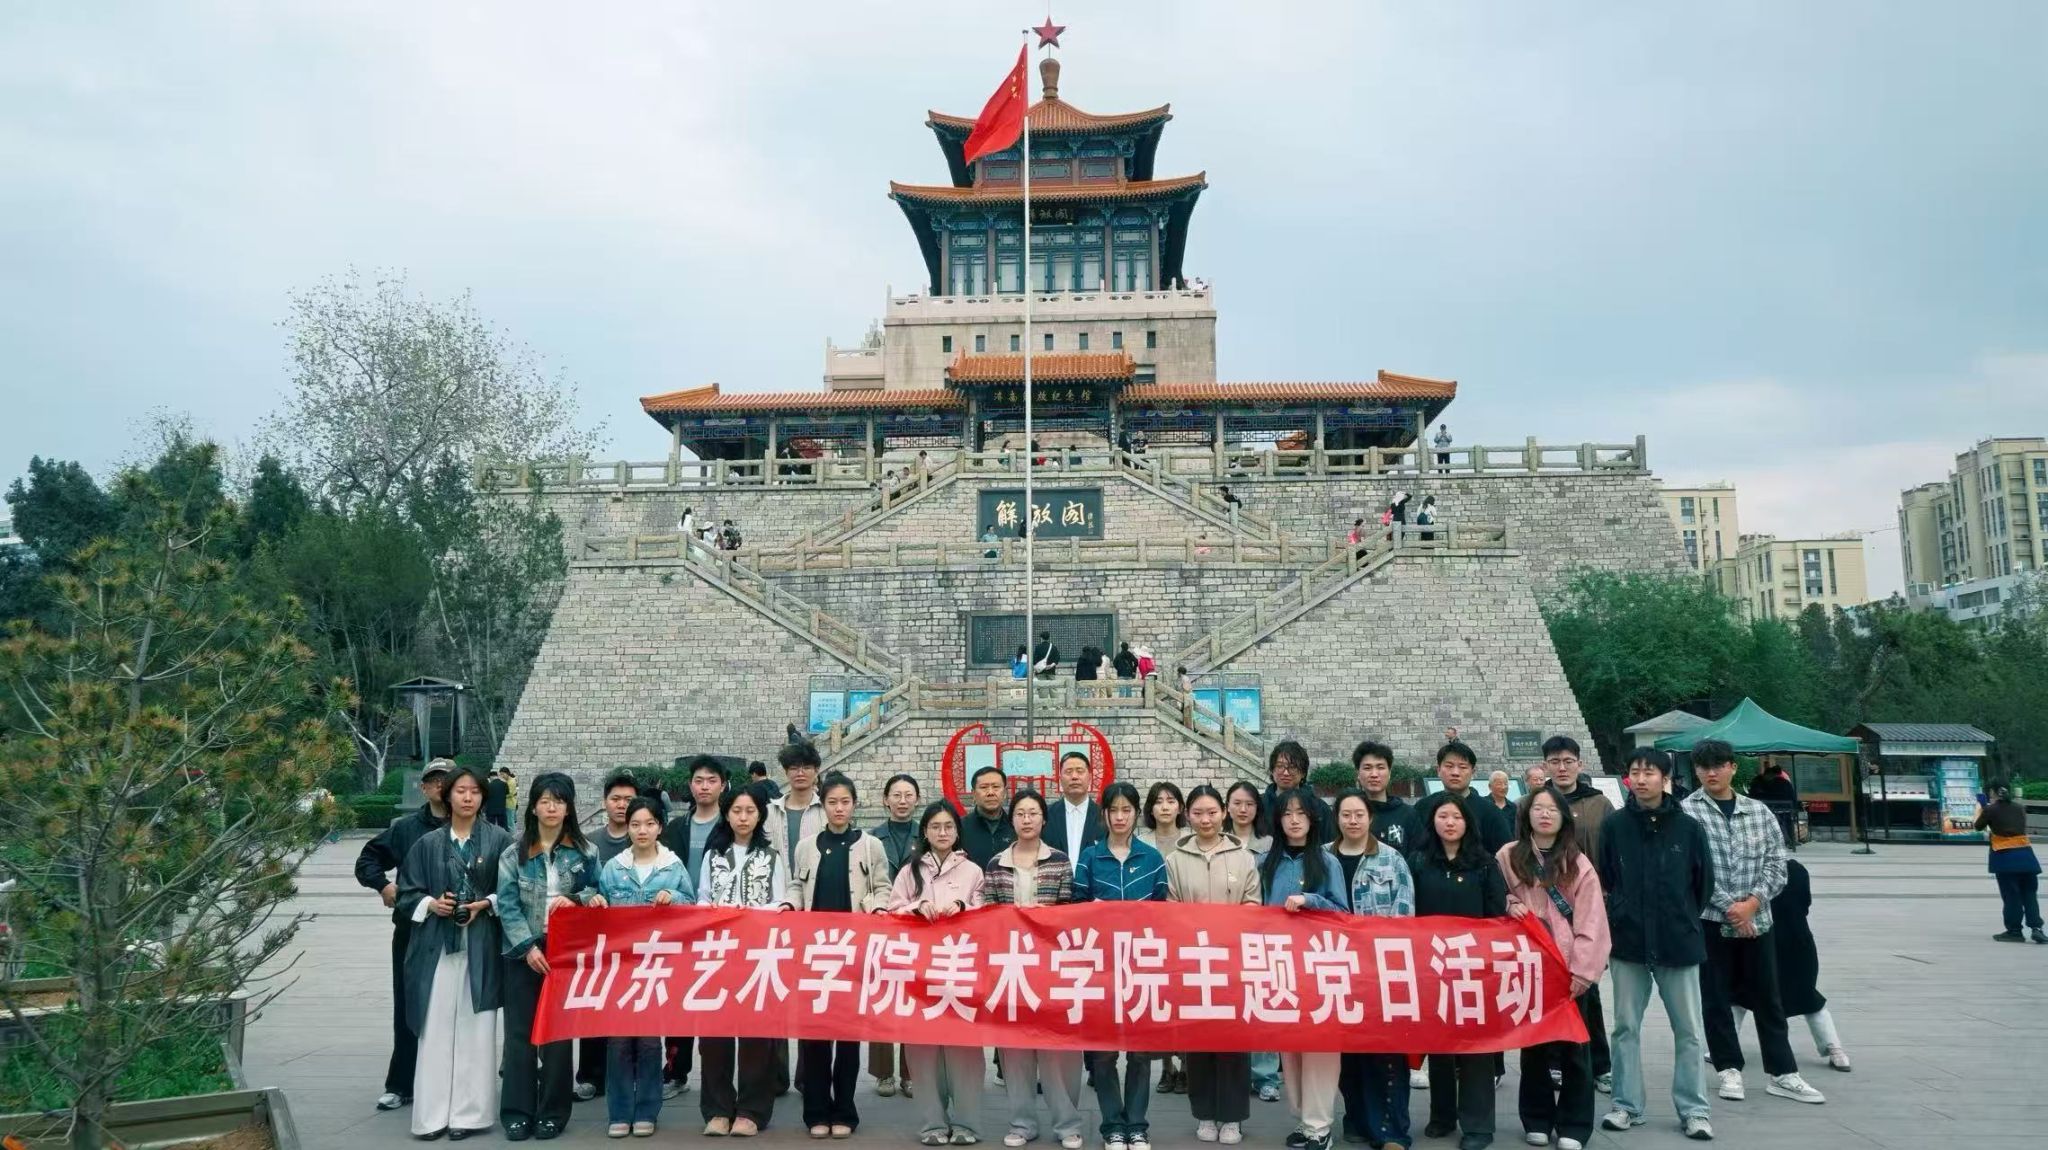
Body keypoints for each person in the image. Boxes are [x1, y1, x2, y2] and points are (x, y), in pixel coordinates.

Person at [1681, 740, 1825, 1107]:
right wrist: (1732, 909)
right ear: (1696, 771)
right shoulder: (1686, 813)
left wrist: (1752, 904)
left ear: (1732, 767)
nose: (1711, 773)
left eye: (1718, 765)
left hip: (1758, 920)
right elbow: (1690, 870)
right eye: (1704, 767)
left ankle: (1783, 1072)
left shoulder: (1758, 811)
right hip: (1711, 920)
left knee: (1768, 997)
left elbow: (1778, 863)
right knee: (1716, 998)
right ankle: (1728, 1067)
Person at [1596, 748, 1715, 1142]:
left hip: (1677, 941)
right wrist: (1623, 913)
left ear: (1665, 779)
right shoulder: (1614, 826)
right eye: (1635, 772)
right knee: (1625, 1027)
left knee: (1689, 1030)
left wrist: (1680, 916)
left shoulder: (1689, 828)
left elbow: (1703, 884)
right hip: (1628, 940)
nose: (1641, 779)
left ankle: (1694, 1110)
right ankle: (1626, 1105)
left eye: (1649, 772)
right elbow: (1608, 877)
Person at [397, 764, 511, 1140]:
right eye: (460, 791)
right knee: (434, 1030)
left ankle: (469, 1115)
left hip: (481, 946)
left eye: (474, 791)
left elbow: (512, 889)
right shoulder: (427, 844)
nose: (467, 798)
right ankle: (430, 1117)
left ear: (483, 797)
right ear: (447, 795)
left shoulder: (500, 840)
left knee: (477, 1031)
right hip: (436, 949)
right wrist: (432, 904)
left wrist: (486, 903)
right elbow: (406, 893)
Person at [496, 771, 606, 1142]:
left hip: (564, 951)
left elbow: (598, 891)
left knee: (558, 1036)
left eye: (559, 801)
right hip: (522, 951)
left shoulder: (586, 852)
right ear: (533, 807)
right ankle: (517, 1112)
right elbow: (507, 905)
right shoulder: (513, 853)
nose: (552, 808)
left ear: (568, 807)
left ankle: (553, 1113)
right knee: (520, 1036)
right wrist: (527, 947)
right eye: (545, 801)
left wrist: (576, 899)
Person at [1499, 788, 1610, 1150]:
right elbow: (1491, 895)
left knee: (1576, 1048)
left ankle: (1574, 1125)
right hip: (1528, 966)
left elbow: (1592, 920)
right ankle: (1536, 1118)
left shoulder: (1578, 863)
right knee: (1533, 1046)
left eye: (1552, 809)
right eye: (1538, 808)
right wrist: (1509, 902)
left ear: (1564, 817)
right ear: (1526, 814)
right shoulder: (1508, 856)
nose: (1544, 814)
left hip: (1568, 968)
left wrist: (1583, 972)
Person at [789, 772, 894, 1138]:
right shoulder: (806, 846)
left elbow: (883, 886)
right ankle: (816, 1112)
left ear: (854, 805)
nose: (838, 808)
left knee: (849, 1037)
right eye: (832, 802)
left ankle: (845, 1112)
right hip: (815, 953)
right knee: (814, 1036)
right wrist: (790, 904)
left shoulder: (870, 845)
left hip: (853, 953)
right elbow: (796, 885)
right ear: (823, 805)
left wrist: (877, 907)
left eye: (845, 802)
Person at [983, 790, 1083, 1150]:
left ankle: (1068, 1124)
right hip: (1012, 968)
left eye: (1033, 813)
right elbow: (988, 914)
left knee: (1058, 1053)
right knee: (1016, 1052)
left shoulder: (1059, 861)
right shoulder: (996, 864)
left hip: (1051, 968)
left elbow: (1071, 911)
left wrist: (1049, 916)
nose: (1027, 819)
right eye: (1020, 813)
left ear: (1044, 819)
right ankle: (1022, 1123)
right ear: (1012, 820)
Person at [1071, 782, 1169, 1149]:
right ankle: (1112, 1125)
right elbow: (1075, 907)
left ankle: (1137, 1126)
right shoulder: (1090, 857)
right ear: (1104, 815)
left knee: (1140, 1052)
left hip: (1142, 966)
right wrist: (1095, 911)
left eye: (1127, 810)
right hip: (1100, 967)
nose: (1120, 817)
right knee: (1103, 1053)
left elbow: (1164, 911)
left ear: (1136, 814)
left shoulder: (1152, 858)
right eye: (1114, 810)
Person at [355, 757, 450, 1112]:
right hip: (414, 931)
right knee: (409, 1005)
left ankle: (451, 1080)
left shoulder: (475, 827)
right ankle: (401, 1083)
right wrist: (383, 885)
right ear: (423, 787)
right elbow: (367, 860)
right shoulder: (406, 828)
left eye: (447, 779)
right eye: (433, 780)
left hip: (461, 931)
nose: (440, 785)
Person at [1166, 785, 1259, 1145]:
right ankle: (1204, 1113)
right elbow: (1171, 907)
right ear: (1187, 815)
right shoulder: (1175, 859)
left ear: (1223, 813)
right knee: (1199, 1042)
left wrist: (1229, 929)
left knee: (1234, 1042)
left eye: (1211, 812)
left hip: (1233, 962)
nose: (1205, 820)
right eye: (1197, 813)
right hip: (1193, 962)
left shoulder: (1243, 856)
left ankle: (1233, 1117)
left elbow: (1253, 904)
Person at [1409, 800, 1506, 1150]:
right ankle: (1442, 1115)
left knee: (1476, 1048)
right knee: (1439, 1044)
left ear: (1468, 823)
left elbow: (1497, 916)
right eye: (1443, 816)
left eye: (1457, 817)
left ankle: (1478, 1125)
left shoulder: (1484, 864)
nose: (1450, 823)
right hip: (1432, 966)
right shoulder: (1418, 861)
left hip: (1473, 969)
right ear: (1432, 822)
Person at [892, 801, 989, 1146]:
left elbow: (987, 912)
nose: (942, 832)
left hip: (961, 970)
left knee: (965, 1052)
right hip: (920, 974)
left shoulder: (973, 871)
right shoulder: (910, 871)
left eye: (948, 826)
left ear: (957, 831)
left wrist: (964, 908)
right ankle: (932, 1124)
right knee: (922, 1052)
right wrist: (916, 907)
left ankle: (967, 1124)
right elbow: (892, 911)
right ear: (925, 832)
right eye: (935, 827)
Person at [598, 798, 696, 1138]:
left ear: (660, 827)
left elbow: (691, 905)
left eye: (650, 823)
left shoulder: (672, 867)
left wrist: (673, 896)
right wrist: (595, 900)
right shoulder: (613, 868)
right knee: (618, 1042)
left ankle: (647, 1110)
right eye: (636, 824)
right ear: (627, 827)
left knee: (651, 1043)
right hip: (621, 967)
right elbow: (598, 903)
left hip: (656, 968)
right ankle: (619, 1111)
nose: (642, 830)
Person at [696, 783, 788, 1137]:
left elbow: (780, 904)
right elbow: (702, 898)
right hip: (718, 955)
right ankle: (718, 1108)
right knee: (714, 1035)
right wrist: (716, 913)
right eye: (737, 811)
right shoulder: (713, 855)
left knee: (756, 1035)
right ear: (726, 814)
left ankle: (752, 1110)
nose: (743, 817)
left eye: (750, 811)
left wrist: (749, 915)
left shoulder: (771, 857)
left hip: (758, 954)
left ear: (760, 815)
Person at [1327, 791, 1416, 1148]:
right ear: (1337, 818)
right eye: (1346, 814)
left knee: (1386, 1053)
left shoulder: (1391, 859)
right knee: (1348, 1054)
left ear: (1369, 818)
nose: (1352, 820)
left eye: (1359, 814)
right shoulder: (1324, 857)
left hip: (1379, 970)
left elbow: (1404, 912)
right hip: (1336, 969)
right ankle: (1358, 1120)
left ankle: (1393, 1131)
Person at [1261, 790, 1347, 1149]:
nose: (1294, 820)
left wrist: (1310, 900)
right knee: (1291, 1049)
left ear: (1313, 819)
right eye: (1287, 814)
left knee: (1320, 1049)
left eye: (1301, 813)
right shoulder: (1266, 862)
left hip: (1318, 967)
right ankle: (1303, 1120)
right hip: (1280, 966)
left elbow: (1342, 913)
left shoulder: (1327, 862)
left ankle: (1319, 1126)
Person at [1541, 736, 1615, 1092]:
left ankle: (1598, 1063)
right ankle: (1554, 1061)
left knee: (1588, 988)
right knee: (1551, 989)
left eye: (1568, 761)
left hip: (1589, 909)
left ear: (1580, 764)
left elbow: (1611, 856)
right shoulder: (1533, 804)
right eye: (1555, 761)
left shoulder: (1600, 805)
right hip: (1547, 912)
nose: (1562, 768)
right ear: (1546, 766)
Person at [1732, 858, 1852, 1072]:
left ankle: (1725, 1047)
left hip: (1763, 939)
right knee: (1807, 996)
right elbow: (1805, 904)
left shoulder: (1752, 870)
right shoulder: (1797, 869)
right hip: (1798, 939)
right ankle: (1835, 1049)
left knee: (1741, 993)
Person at [657, 756, 729, 1097]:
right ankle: (675, 1071)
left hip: (720, 926)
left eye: (711, 780)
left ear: (723, 785)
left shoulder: (730, 825)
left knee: (717, 1001)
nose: (704, 786)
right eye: (699, 780)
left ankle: (719, 1078)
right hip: (679, 925)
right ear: (690, 785)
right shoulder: (675, 828)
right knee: (678, 1002)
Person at [577, 771, 642, 1102]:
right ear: (604, 802)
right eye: (616, 799)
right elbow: (579, 887)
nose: (622, 805)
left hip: (636, 943)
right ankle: (590, 1076)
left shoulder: (644, 840)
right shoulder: (588, 843)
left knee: (633, 1010)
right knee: (594, 1008)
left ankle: (631, 1075)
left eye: (629, 800)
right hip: (597, 942)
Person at [868, 774, 923, 1099]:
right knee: (882, 998)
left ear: (917, 799)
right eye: (896, 795)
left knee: (913, 999)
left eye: (908, 795)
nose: (902, 801)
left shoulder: (925, 834)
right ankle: (883, 1072)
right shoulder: (872, 838)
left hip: (916, 927)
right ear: (885, 799)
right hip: (882, 927)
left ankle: (910, 1072)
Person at [1141, 780, 1190, 1096]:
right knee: (1159, 1000)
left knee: (1183, 999)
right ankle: (1166, 1067)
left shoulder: (1191, 839)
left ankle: (1186, 1065)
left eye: (1171, 800)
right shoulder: (1141, 842)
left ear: (1180, 807)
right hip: (1151, 931)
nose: (1165, 806)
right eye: (1159, 801)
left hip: (1184, 930)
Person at [1975, 781, 2045, 942]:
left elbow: (1978, 826)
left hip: (2005, 858)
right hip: (2027, 856)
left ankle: (2014, 931)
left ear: (1993, 792)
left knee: (2012, 896)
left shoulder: (1990, 809)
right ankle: (2037, 928)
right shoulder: (2019, 808)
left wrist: (1981, 808)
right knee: (2029, 894)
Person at [1416, 740, 1510, 855]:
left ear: (1473, 772)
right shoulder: (1423, 807)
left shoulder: (1490, 812)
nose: (1455, 772)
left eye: (1463, 767)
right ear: (1439, 770)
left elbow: (1504, 855)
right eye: (1449, 766)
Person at [1351, 740, 1419, 856]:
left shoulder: (1408, 815)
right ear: (1358, 773)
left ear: (1389, 772)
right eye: (1367, 768)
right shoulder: (1349, 815)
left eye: (1380, 767)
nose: (1374, 774)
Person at [1261, 740, 1329, 842]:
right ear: (1272, 770)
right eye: (1280, 766)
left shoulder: (1320, 808)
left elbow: (1329, 845)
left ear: (1303, 772)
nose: (1285, 773)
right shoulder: (1259, 806)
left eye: (1292, 767)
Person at [1043, 751, 1105, 859]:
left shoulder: (1104, 816)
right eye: (1068, 772)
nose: (1074, 776)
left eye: (1080, 771)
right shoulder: (1046, 816)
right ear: (1060, 778)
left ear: (1090, 777)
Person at [960, 765, 1015, 867]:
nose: (990, 793)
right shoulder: (960, 827)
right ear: (973, 794)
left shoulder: (1015, 827)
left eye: (996, 787)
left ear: (1004, 793)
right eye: (984, 787)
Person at [1746, 761, 1800, 852]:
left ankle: (1788, 840)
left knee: (1784, 820)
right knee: (1787, 820)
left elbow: (1755, 795)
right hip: (1783, 807)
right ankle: (1791, 841)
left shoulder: (1775, 782)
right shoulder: (1782, 782)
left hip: (1777, 807)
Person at [1224, 781, 1272, 855]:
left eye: (1249, 804)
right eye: (1237, 803)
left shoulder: (1268, 843)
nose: (1243, 809)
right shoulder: (1218, 840)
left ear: (1257, 807)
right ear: (1228, 807)